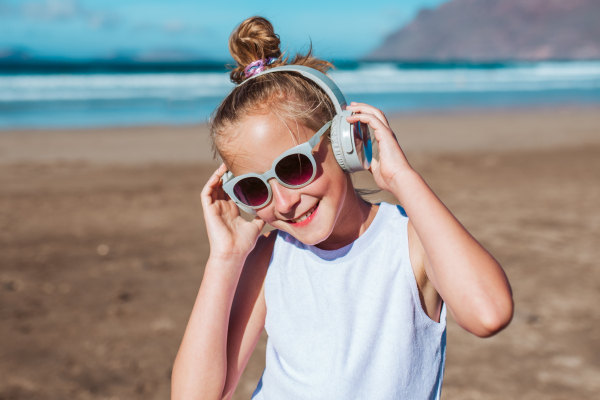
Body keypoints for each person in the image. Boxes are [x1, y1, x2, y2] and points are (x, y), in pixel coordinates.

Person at [171, 16, 513, 400]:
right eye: (254, 189)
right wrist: (225, 258)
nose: (283, 203)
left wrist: (403, 179)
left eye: (293, 167)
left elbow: (488, 313)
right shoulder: (269, 259)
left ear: (344, 141)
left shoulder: (411, 242)